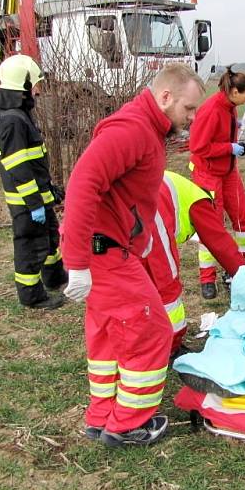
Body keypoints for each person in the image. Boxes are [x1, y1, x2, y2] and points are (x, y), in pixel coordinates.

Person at [61, 63, 205, 447]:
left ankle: (102, 416)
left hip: (110, 248)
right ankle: (129, 424)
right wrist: (76, 263)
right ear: (165, 97)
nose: (191, 119)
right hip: (105, 252)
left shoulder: (146, 128)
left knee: (109, 335)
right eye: (189, 110)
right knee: (150, 329)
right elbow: (82, 183)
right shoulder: (133, 130)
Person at [144, 171, 245, 356]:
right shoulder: (200, 202)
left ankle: (143, 334)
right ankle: (172, 347)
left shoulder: (179, 187)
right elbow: (220, 243)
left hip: (128, 211)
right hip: (150, 220)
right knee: (166, 283)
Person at [0, 54, 67, 310]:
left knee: (49, 239)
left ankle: (55, 278)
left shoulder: (18, 115)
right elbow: (18, 167)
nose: (38, 91)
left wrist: (49, 191)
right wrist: (34, 202)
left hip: (37, 196)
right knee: (30, 246)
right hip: (26, 201)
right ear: (23, 85)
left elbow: (33, 160)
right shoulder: (12, 119)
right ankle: (32, 296)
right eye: (35, 84)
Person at [188, 67, 245, 299]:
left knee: (243, 218)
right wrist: (230, 147)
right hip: (208, 174)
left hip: (228, 171)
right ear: (234, 91)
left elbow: (219, 133)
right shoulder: (211, 110)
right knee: (212, 227)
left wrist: (236, 128)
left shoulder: (230, 107)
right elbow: (199, 147)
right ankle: (207, 278)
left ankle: (244, 266)